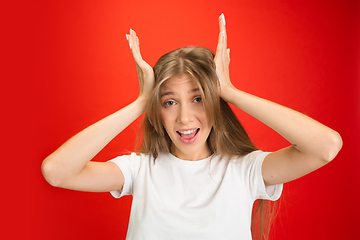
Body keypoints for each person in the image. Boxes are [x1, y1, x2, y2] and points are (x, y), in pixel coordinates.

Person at [41, 14, 342, 240]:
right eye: (169, 102)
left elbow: (326, 147)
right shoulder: (140, 171)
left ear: (214, 102)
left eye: (198, 98)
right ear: (157, 111)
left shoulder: (245, 171)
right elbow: (57, 171)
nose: (185, 118)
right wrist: (140, 101)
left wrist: (230, 92)